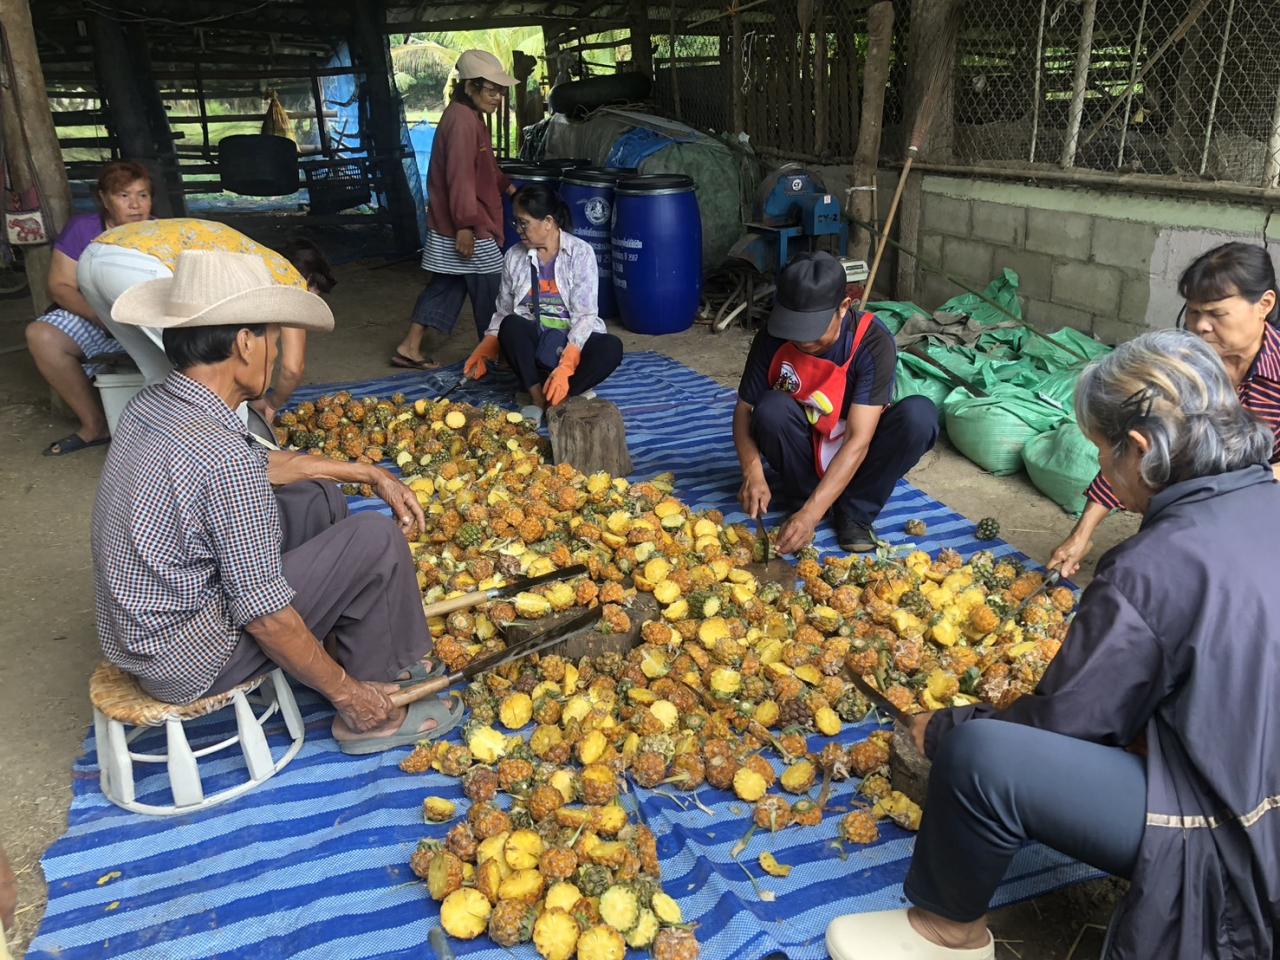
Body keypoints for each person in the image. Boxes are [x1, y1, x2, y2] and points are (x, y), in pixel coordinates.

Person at [826, 329, 1280, 960]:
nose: (1101, 470)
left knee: (985, 755)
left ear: (1142, 450)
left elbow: (1067, 726)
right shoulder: (1267, 498)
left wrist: (950, 726)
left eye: (1102, 452)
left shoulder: (1149, 568)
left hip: (1230, 833)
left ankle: (946, 933)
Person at [92, 250, 460, 754]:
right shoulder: (221, 455)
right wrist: (349, 695)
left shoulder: (154, 405)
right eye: (270, 336)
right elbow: (264, 614)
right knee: (373, 538)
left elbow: (257, 469)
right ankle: (374, 704)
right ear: (245, 343)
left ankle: (350, 645)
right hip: (189, 660)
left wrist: (365, 473)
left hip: (143, 637)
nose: (274, 349)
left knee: (313, 497)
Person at [1050, 241, 1280, 576]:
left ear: (1264, 304)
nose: (1200, 326)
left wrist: (1237, 489)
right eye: (1193, 312)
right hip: (1182, 522)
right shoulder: (1181, 368)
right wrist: (1081, 534)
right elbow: (1128, 448)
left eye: (1216, 314)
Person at [734, 251, 938, 553]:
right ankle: (805, 497)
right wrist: (752, 470)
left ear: (844, 306)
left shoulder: (872, 342)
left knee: (919, 416)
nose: (803, 341)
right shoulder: (773, 336)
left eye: (813, 331)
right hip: (802, 450)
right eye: (794, 329)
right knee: (770, 408)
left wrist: (810, 518)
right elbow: (743, 410)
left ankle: (855, 511)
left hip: (857, 456)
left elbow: (858, 440)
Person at [77, 218, 336, 418]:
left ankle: (160, 449)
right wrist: (270, 403)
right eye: (312, 296)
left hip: (94, 255)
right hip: (138, 263)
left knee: (159, 371)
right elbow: (293, 367)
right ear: (309, 281)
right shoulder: (287, 277)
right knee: (220, 376)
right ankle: (239, 456)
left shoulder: (254, 257)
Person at [392, 49, 516, 370]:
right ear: (470, 87)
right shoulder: (462, 122)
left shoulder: (467, 115)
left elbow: (484, 166)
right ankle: (493, 354)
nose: (498, 98)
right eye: (491, 90)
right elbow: (459, 178)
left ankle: (410, 346)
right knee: (493, 283)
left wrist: (509, 187)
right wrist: (465, 225)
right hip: (467, 223)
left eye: (501, 91)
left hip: (458, 221)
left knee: (449, 282)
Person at [463, 184, 623, 423]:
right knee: (511, 325)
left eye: (523, 223)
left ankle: (563, 395)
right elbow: (504, 310)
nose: (518, 230)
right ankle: (538, 396)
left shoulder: (580, 253)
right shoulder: (514, 257)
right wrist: (487, 345)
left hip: (571, 345)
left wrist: (568, 364)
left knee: (611, 347)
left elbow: (585, 315)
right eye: (515, 223)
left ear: (548, 222)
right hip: (537, 346)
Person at [25, 160, 152, 456]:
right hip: (97, 317)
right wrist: (102, 318)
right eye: (124, 196)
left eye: (143, 195)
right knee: (42, 336)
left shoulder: (160, 233)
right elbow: (59, 286)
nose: (135, 205)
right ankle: (95, 424)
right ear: (104, 199)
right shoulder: (84, 229)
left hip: (144, 320)